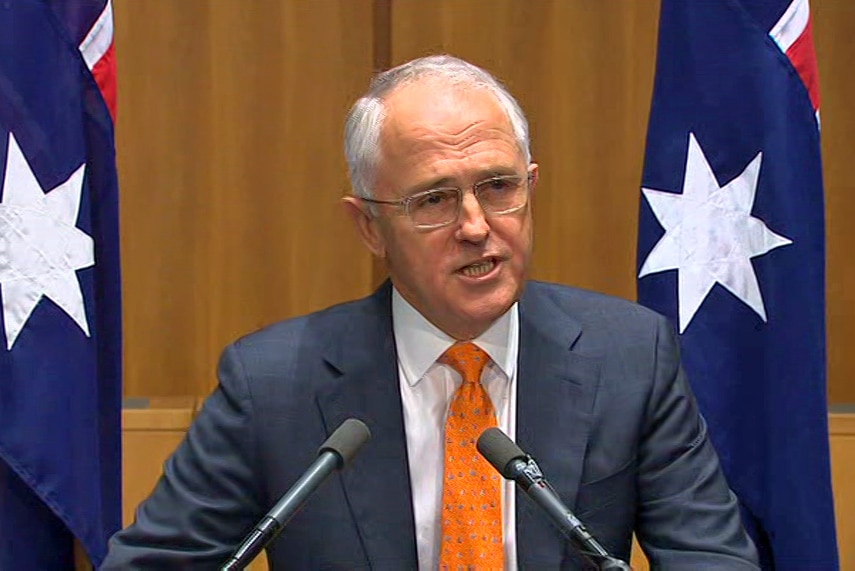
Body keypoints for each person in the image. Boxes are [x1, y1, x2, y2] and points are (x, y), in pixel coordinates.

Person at [103, 55, 759, 569]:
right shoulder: (274, 383)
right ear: (367, 227)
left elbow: (711, 556)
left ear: (530, 186)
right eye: (434, 201)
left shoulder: (629, 356)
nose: (476, 226)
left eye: (498, 187)